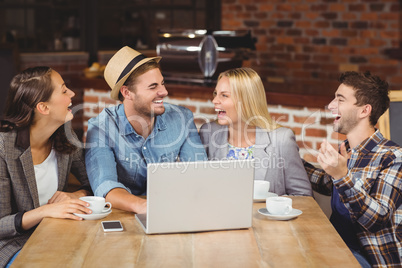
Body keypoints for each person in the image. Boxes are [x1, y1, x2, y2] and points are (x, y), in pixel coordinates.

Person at [85, 46, 207, 214]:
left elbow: (199, 174)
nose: (164, 92)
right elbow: (106, 187)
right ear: (127, 92)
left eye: (162, 83)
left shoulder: (182, 118)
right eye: (153, 86)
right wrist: (145, 207)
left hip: (171, 209)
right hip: (123, 214)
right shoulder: (101, 129)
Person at [303, 71, 402, 267]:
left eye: (340, 99)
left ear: (364, 111)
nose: (331, 105)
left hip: (370, 261)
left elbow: (377, 219)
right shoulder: (348, 151)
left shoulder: (393, 157)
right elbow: (325, 182)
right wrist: (287, 156)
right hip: (336, 248)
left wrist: (342, 176)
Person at [0, 66, 92, 267]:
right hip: (14, 246)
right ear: (43, 108)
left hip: (58, 236)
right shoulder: (3, 148)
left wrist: (75, 195)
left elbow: (93, 183)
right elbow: (1, 224)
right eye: (64, 90)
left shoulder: (65, 137)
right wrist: (46, 211)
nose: (72, 94)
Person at [199, 67, 312, 196]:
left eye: (224, 95)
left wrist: (274, 208)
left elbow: (303, 196)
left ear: (246, 101)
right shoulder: (208, 133)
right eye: (215, 94)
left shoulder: (281, 139)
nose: (214, 101)